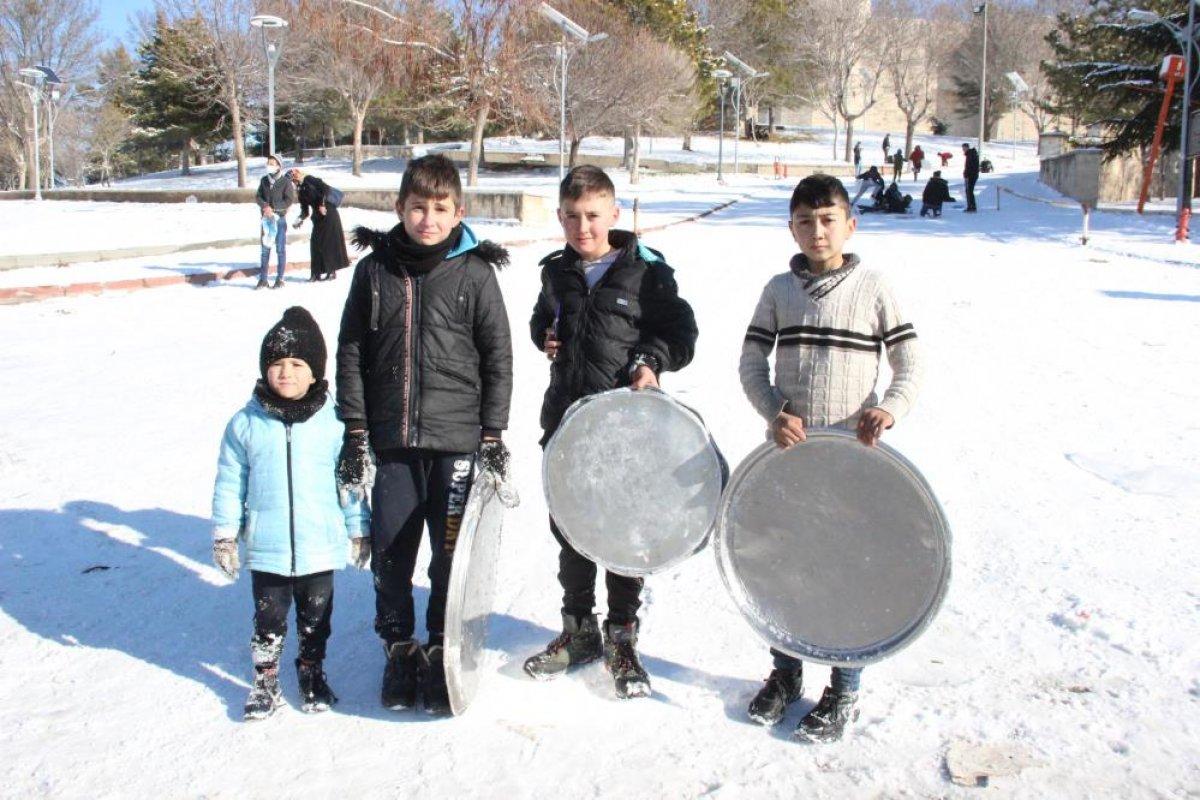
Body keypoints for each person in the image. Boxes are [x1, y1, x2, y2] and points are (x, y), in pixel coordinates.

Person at [737, 173, 923, 742]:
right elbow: (750, 365)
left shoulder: (874, 287)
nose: (817, 231)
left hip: (852, 458)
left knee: (847, 571)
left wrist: (888, 410)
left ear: (850, 223)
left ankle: (844, 690)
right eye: (804, 221)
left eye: (828, 219)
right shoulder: (778, 290)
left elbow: (908, 365)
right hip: (791, 458)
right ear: (790, 227)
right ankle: (786, 672)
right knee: (780, 564)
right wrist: (774, 413)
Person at [335, 153, 514, 716]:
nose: (427, 219)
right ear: (399, 208)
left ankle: (441, 647)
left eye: (440, 209)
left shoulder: (475, 274)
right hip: (392, 444)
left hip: (457, 443)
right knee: (391, 553)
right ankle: (399, 648)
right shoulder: (375, 272)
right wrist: (356, 429)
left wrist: (492, 433)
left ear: (458, 211)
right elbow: (351, 349)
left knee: (449, 557)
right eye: (417, 207)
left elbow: (498, 358)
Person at [524, 165, 698, 699]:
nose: (583, 227)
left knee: (622, 532)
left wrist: (652, 360)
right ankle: (578, 630)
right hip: (567, 425)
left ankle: (621, 636)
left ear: (614, 215)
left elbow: (680, 332)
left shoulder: (646, 272)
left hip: (626, 432)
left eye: (593, 216)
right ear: (560, 216)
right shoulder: (555, 272)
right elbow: (541, 320)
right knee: (572, 531)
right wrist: (545, 337)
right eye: (572, 217)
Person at [211, 306, 371, 721]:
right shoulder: (245, 424)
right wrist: (225, 534)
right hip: (268, 547)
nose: (286, 373)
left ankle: (311, 673)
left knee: (316, 618)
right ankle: (265, 682)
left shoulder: (334, 424)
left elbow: (350, 487)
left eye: (297, 364)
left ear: (315, 372)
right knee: (269, 619)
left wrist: (359, 530)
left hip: (320, 544)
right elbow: (230, 483)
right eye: (277, 364)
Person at [290, 168, 350, 281]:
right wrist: (300, 219)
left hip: (328, 212)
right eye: (292, 177)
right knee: (315, 244)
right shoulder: (300, 191)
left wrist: (322, 204)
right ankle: (315, 273)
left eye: (295, 174)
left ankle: (331, 271)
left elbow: (324, 188)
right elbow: (305, 210)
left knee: (328, 243)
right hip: (317, 217)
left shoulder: (309, 179)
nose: (294, 178)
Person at [255, 154, 296, 290]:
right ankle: (263, 279)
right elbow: (258, 196)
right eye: (268, 163)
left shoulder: (285, 182)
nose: (269, 165)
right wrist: (265, 207)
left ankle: (280, 279)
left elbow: (289, 200)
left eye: (272, 163)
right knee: (265, 250)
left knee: (280, 250)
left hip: (279, 220)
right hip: (266, 220)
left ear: (279, 166)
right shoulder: (264, 181)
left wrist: (274, 208)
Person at [962, 142, 980, 212]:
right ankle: (972, 206)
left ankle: (971, 207)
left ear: (967, 148)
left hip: (971, 176)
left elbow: (970, 166)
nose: (963, 150)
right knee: (969, 191)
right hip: (973, 175)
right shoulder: (971, 154)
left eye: (964, 148)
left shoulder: (970, 155)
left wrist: (966, 174)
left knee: (969, 191)